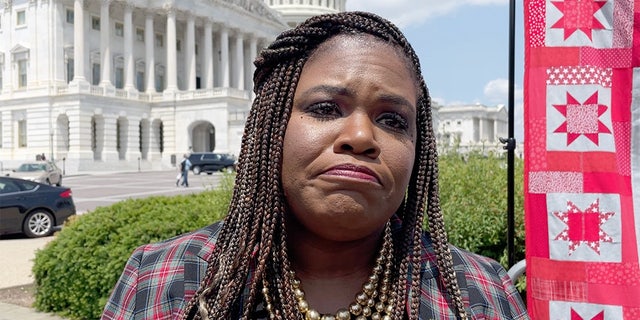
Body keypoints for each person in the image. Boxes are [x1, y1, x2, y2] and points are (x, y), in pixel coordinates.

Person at [101, 11, 529, 320]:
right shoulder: (168, 279)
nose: (361, 137)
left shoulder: (477, 293)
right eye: (326, 108)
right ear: (272, 129)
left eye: (392, 120)